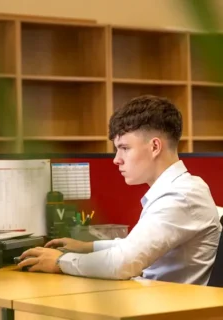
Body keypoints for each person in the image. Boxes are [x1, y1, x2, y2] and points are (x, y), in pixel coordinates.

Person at [17, 95, 221, 285]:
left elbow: (123, 263)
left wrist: (61, 261)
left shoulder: (180, 196)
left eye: (124, 148)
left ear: (154, 147)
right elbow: (134, 246)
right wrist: (87, 247)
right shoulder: (179, 188)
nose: (116, 159)